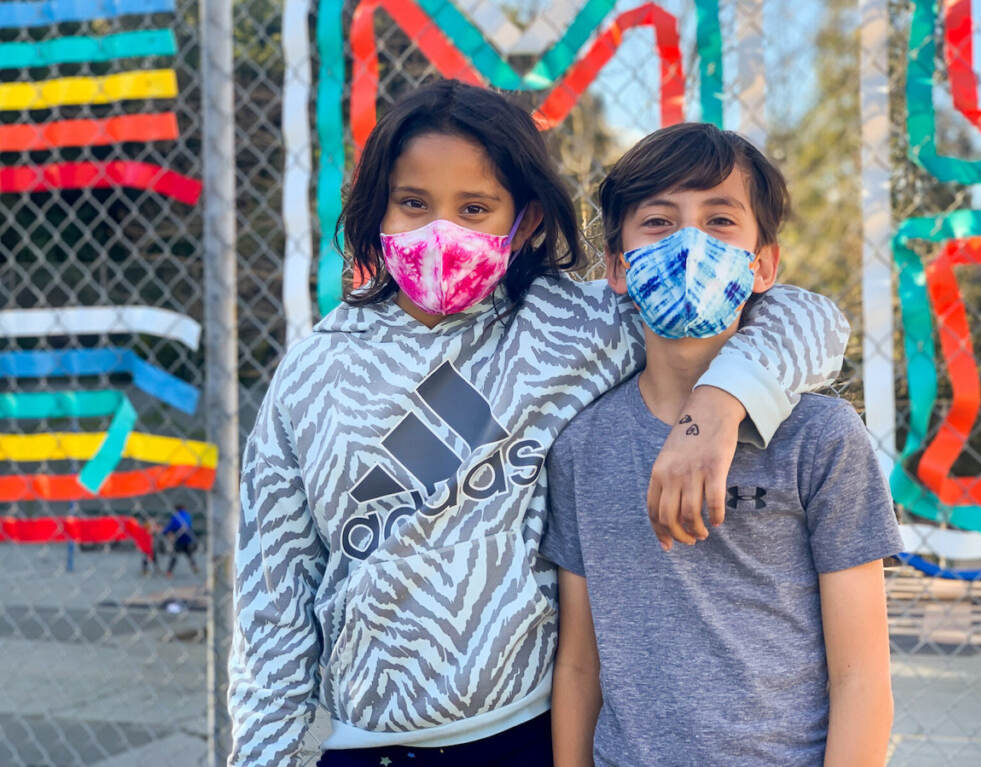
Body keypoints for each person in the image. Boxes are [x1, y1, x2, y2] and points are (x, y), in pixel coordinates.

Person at [228, 80, 850, 767]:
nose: (443, 231)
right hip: (365, 745)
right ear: (377, 207)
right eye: (413, 204)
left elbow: (810, 319)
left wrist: (717, 405)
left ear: (521, 223)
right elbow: (272, 608)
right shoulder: (312, 372)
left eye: (475, 208)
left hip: (525, 735)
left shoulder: (578, 326)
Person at [541, 122, 902, 767]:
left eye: (720, 221)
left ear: (764, 265)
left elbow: (863, 677)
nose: (689, 243)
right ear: (618, 267)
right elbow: (578, 667)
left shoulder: (822, 438)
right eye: (657, 221)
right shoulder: (582, 447)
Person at [163, 505, 199, 576]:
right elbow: (189, 526)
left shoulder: (176, 517)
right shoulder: (188, 516)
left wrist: (165, 532)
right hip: (188, 538)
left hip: (179, 539)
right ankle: (194, 567)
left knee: (174, 556)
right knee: (189, 554)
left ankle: (169, 572)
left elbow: (171, 527)